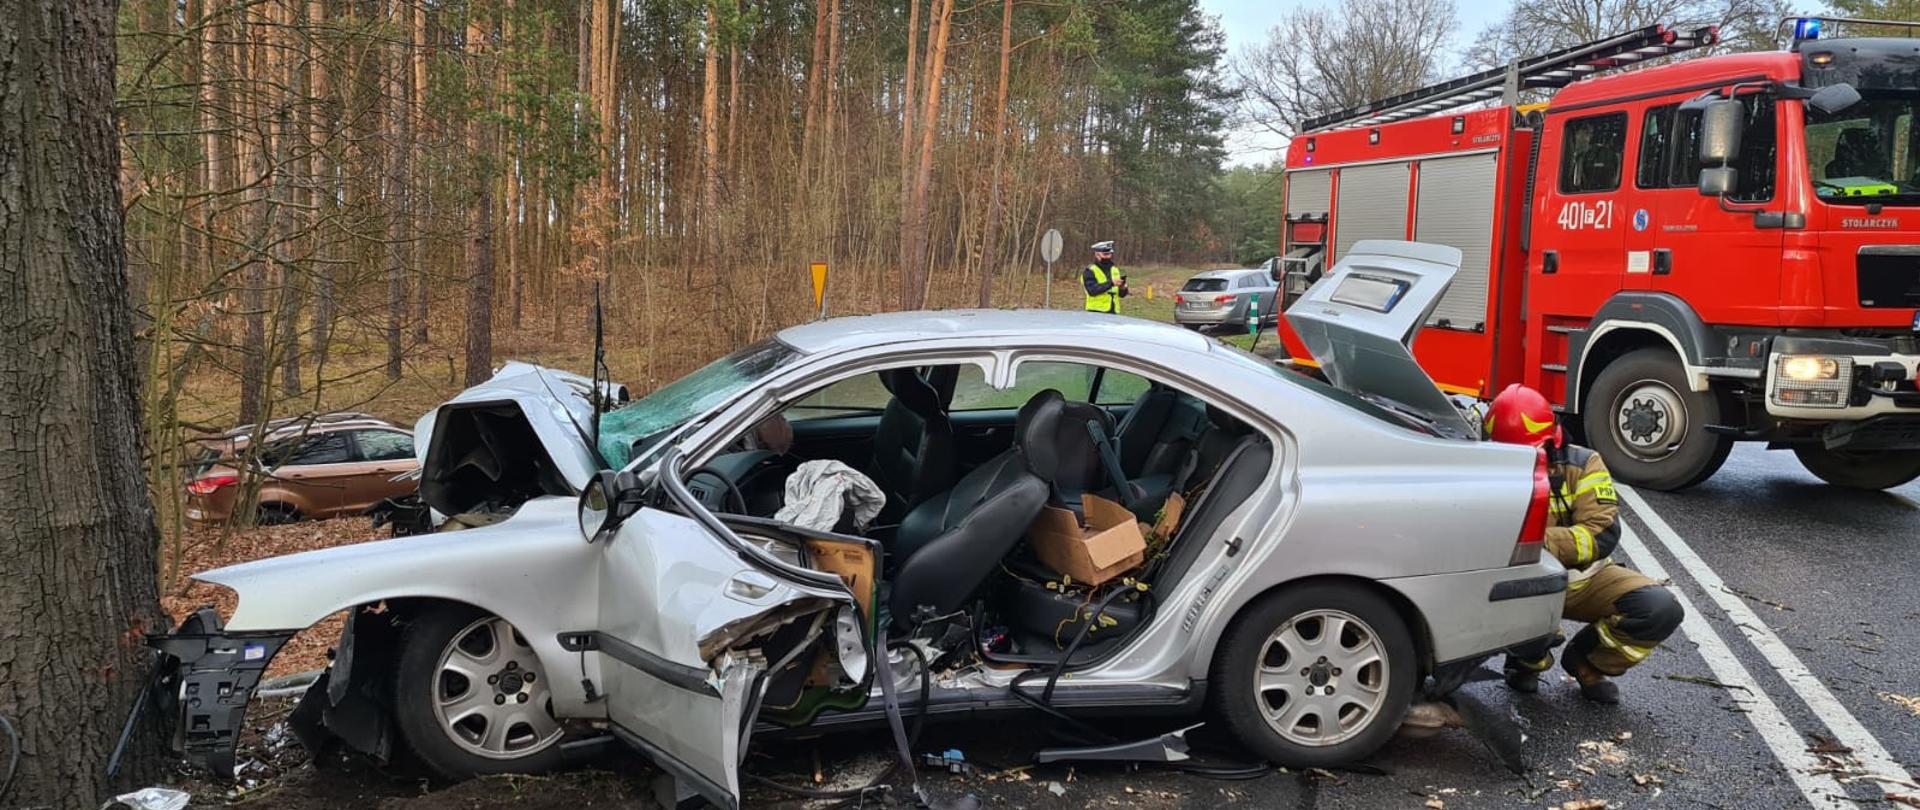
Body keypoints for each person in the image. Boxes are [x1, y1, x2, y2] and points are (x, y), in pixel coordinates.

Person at [1487, 384, 1683, 704]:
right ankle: (1526, 662)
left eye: (1529, 452)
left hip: (1583, 579)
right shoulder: (1480, 469)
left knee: (1659, 609)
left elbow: (1600, 535)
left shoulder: (1584, 464)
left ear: (1553, 440)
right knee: (1535, 624)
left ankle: (1586, 663)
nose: (1521, 462)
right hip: (1520, 585)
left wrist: (1530, 541)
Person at [1083, 240, 1128, 314]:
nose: (1108, 256)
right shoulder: (1090, 271)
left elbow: (1121, 295)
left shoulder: (1115, 269)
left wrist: (1123, 288)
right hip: (1095, 312)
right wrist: (1111, 283)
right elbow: (1092, 290)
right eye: (1105, 254)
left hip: (1113, 311)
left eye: (1109, 254)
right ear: (1097, 255)